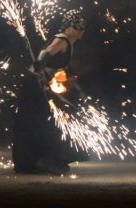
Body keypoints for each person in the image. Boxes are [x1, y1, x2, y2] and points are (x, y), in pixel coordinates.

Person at [12, 12, 87, 175]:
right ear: (68, 27)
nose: (82, 30)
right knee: (43, 121)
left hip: (39, 83)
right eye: (78, 27)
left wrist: (75, 86)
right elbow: (46, 54)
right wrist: (39, 66)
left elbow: (59, 66)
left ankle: (41, 160)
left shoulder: (68, 42)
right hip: (34, 84)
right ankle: (44, 161)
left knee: (44, 120)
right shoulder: (62, 40)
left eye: (83, 27)